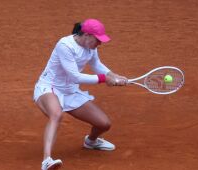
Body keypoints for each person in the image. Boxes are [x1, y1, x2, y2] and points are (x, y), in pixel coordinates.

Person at [33, 18, 128, 170]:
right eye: (97, 40)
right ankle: (47, 160)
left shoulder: (91, 47)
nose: (99, 44)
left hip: (71, 91)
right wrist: (105, 79)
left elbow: (96, 64)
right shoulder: (65, 45)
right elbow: (75, 76)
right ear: (86, 35)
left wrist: (114, 75)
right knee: (56, 114)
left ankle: (91, 142)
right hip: (49, 87)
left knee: (104, 124)